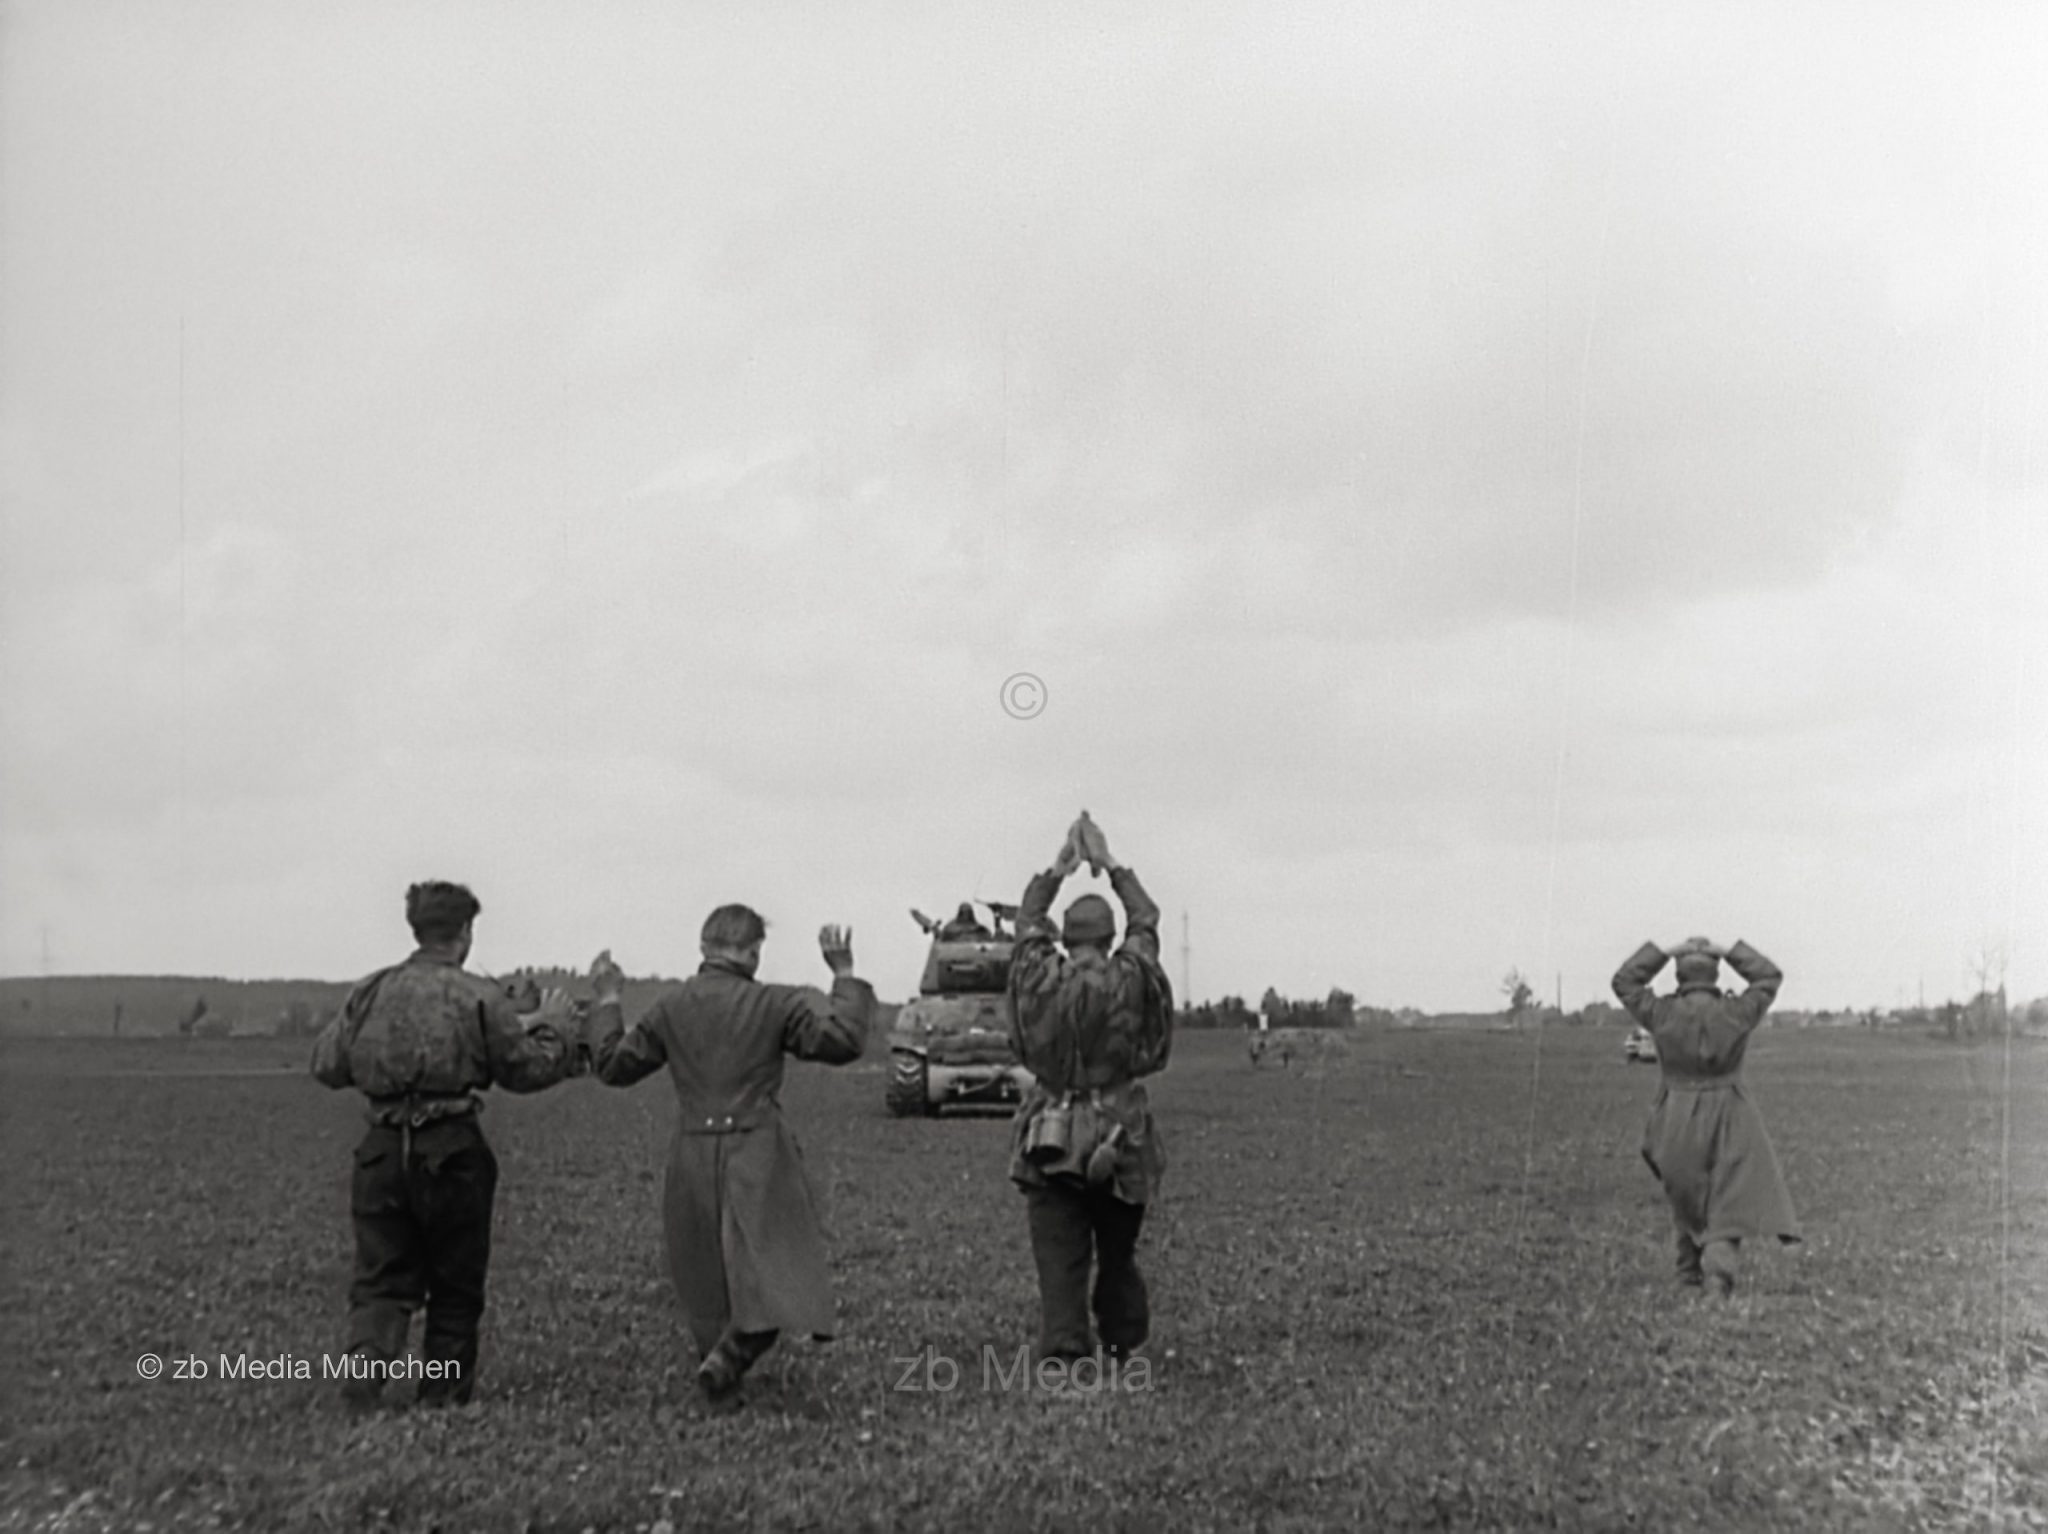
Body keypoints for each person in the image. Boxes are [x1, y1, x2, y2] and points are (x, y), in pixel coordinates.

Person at [586, 908, 874, 1404]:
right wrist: (843, 975)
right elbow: (843, 1042)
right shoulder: (774, 1004)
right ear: (753, 952)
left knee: (704, 1271)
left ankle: (718, 1369)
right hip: (757, 1148)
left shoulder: (669, 1006)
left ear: (704, 947)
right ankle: (733, 1356)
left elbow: (613, 1066)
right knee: (780, 1268)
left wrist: (609, 1000)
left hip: (692, 1149)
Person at [311, 881, 578, 1407]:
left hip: (382, 1146)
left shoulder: (370, 990)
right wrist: (555, 1030)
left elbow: (326, 1064)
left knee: (381, 1279)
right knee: (455, 1286)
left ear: (415, 927)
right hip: (452, 1148)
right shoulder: (477, 995)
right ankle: (443, 1398)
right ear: (465, 932)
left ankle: (365, 1372)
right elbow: (525, 1071)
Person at [1006, 813, 1173, 1363]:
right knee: (1118, 1252)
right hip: (1121, 1134)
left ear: (1066, 937)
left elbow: (1027, 922)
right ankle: (1123, 1341)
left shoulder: (1036, 973)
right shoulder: (1130, 976)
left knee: (1059, 1255)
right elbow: (1146, 920)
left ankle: (1064, 1350)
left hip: (1049, 1134)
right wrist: (1110, 864)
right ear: (1107, 939)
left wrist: (1059, 868)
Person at [1612, 935, 1802, 1297]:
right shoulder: (1735, 1012)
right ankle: (1717, 1278)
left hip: (1676, 1113)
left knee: (1686, 1194)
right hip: (1731, 1111)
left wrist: (1665, 951)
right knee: (1726, 1198)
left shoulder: (1663, 1013)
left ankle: (1687, 1277)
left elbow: (1624, 981)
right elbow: (1769, 977)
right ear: (1715, 975)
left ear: (1679, 976)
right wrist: (1729, 951)